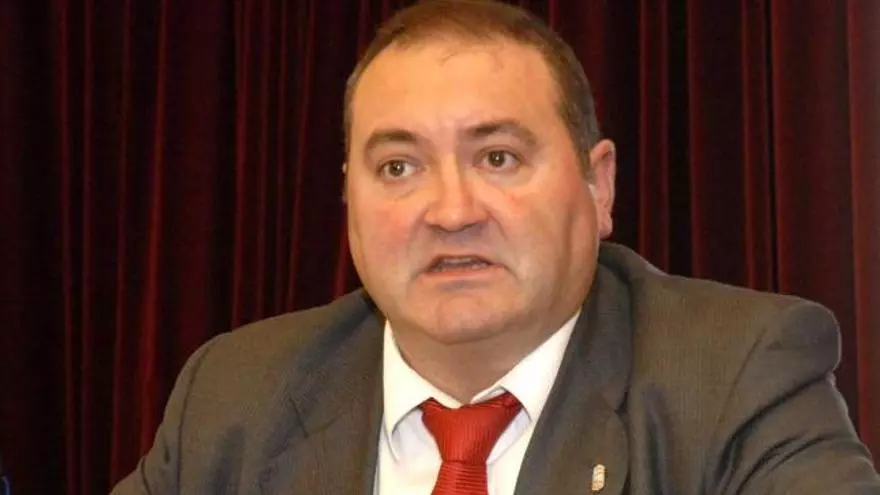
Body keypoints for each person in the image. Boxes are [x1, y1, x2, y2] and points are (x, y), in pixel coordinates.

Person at [112, 0, 880, 493]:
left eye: (498, 158)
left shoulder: (737, 377)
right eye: (399, 167)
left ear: (598, 184)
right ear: (348, 196)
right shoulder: (236, 397)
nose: (451, 212)